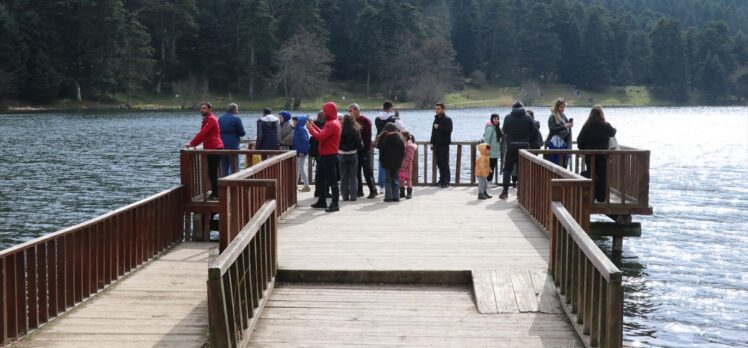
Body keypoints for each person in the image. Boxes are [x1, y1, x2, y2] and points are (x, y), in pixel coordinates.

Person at [500, 101, 539, 199]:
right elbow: (534, 131)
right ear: (522, 108)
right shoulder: (528, 118)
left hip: (511, 146)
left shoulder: (508, 117)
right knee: (522, 170)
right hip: (524, 147)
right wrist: (527, 140)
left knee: (507, 169)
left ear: (512, 108)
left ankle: (505, 191)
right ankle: (520, 193)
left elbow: (504, 131)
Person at [307, 102, 342, 212]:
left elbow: (320, 137)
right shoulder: (333, 122)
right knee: (321, 180)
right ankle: (322, 201)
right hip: (325, 155)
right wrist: (314, 126)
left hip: (329, 156)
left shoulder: (331, 124)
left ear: (330, 111)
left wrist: (310, 128)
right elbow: (323, 133)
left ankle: (335, 203)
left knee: (332, 180)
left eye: (325, 110)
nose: (324, 113)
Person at [577, 105, 617, 203]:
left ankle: (591, 196)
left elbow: (579, 141)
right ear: (601, 114)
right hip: (603, 155)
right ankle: (601, 197)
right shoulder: (605, 125)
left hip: (590, 156)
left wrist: (584, 149)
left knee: (591, 174)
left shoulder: (586, 126)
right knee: (602, 176)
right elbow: (613, 132)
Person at [185, 102, 224, 201]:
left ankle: (216, 194)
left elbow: (202, 134)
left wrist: (192, 144)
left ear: (210, 109)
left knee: (212, 171)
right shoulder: (206, 120)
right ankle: (215, 193)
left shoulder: (211, 120)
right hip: (211, 148)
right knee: (211, 171)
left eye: (204, 108)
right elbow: (204, 135)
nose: (202, 110)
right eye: (201, 108)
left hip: (215, 148)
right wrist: (194, 144)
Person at [349, 103, 378, 199]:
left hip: (365, 149)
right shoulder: (351, 121)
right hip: (355, 150)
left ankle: (373, 190)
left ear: (357, 110)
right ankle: (359, 191)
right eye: (349, 111)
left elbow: (367, 136)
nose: (349, 113)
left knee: (367, 171)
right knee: (356, 171)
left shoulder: (365, 120)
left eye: (351, 111)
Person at [375, 100, 405, 190]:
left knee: (381, 164)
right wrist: (398, 118)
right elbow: (403, 128)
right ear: (391, 108)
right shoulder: (394, 118)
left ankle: (382, 186)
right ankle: (394, 185)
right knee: (394, 165)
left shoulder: (377, 118)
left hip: (381, 144)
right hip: (393, 144)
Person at [376, 123, 405, 202]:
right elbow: (403, 151)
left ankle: (388, 197)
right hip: (397, 162)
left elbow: (382, 151)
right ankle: (396, 196)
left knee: (388, 180)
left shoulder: (386, 139)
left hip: (387, 163)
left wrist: (381, 161)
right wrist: (400, 160)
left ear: (387, 130)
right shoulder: (399, 139)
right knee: (396, 179)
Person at [338, 114, 363, 202]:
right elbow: (360, 144)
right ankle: (353, 196)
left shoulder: (340, 129)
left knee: (343, 176)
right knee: (353, 176)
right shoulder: (356, 129)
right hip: (353, 154)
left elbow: (337, 141)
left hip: (342, 154)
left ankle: (345, 196)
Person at [218, 103, 245, 176]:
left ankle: (224, 185)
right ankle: (235, 184)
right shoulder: (236, 118)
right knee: (235, 166)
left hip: (222, 145)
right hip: (233, 146)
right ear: (235, 109)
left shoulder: (220, 118)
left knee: (224, 167)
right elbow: (242, 133)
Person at [430, 102, 453, 188]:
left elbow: (449, 130)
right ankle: (441, 179)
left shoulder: (447, 119)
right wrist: (432, 143)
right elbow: (433, 132)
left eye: (438, 109)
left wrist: (439, 127)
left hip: (444, 145)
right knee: (439, 163)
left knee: (444, 163)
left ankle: (446, 181)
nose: (436, 110)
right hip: (436, 145)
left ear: (443, 109)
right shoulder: (436, 119)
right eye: (436, 109)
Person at [546, 98, 573, 167]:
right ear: (557, 107)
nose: (563, 109)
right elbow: (552, 130)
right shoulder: (552, 116)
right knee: (555, 165)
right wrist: (564, 126)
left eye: (564, 107)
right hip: (554, 144)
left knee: (561, 164)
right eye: (561, 107)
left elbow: (566, 126)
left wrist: (569, 125)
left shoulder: (563, 116)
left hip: (562, 143)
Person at [309, 111, 327, 198]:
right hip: (323, 150)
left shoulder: (314, 123)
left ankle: (317, 191)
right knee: (324, 173)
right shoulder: (326, 125)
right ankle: (325, 191)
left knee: (318, 173)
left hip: (316, 151)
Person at [483, 114, 503, 186]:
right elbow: (486, 140)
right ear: (491, 119)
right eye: (495, 119)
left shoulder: (496, 127)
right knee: (490, 167)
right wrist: (487, 150)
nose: (496, 120)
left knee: (492, 167)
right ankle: (488, 182)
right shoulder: (490, 128)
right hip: (490, 151)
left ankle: (489, 181)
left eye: (497, 119)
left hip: (495, 151)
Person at [293, 115, 311, 192]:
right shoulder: (297, 129)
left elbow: (305, 141)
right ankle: (295, 185)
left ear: (299, 121)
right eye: (293, 121)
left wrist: (302, 151)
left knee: (301, 168)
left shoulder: (300, 129)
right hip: (298, 151)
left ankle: (306, 186)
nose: (293, 123)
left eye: (295, 121)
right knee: (297, 169)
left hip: (301, 152)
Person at [399, 131, 417, 199]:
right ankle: (402, 193)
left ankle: (409, 193)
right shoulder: (404, 144)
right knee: (401, 179)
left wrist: (403, 165)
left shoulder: (410, 146)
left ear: (405, 137)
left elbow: (409, 157)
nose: (400, 137)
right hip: (401, 164)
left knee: (408, 179)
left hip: (408, 165)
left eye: (401, 136)